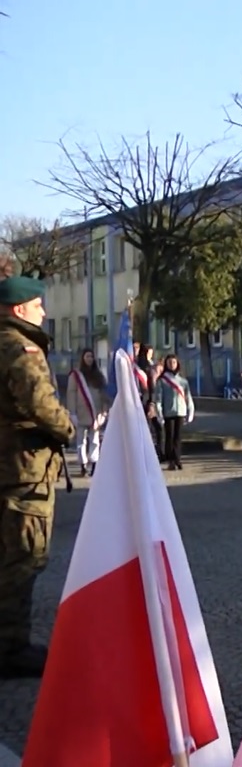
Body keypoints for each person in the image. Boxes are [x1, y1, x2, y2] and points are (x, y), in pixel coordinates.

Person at [0, 276, 74, 678]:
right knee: (23, 558)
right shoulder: (21, 348)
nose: (43, 311)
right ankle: (11, 648)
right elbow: (42, 406)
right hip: (22, 469)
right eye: (37, 305)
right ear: (18, 310)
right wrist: (68, 428)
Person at [66, 348, 108, 476]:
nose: (89, 359)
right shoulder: (76, 376)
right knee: (81, 440)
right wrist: (72, 412)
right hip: (81, 412)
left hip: (96, 412)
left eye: (91, 357)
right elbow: (71, 393)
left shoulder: (99, 375)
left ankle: (94, 463)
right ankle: (83, 464)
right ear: (83, 358)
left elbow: (104, 394)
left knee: (95, 439)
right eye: (87, 356)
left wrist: (104, 411)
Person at [154, 354, 195, 471]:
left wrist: (190, 410)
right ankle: (171, 460)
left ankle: (177, 459)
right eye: (169, 362)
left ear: (177, 364)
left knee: (178, 437)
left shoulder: (183, 381)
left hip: (180, 412)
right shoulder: (162, 381)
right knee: (169, 437)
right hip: (168, 412)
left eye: (174, 362)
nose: (172, 365)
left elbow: (188, 397)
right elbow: (158, 399)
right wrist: (159, 414)